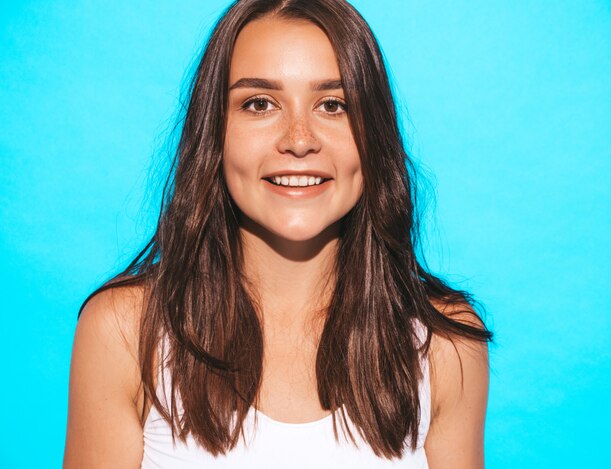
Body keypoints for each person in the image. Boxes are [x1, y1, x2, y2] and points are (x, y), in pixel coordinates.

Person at [63, 0, 493, 467]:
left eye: (334, 105)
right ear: (215, 134)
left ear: (375, 135)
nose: (299, 138)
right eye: (260, 103)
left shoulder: (446, 342)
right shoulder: (125, 332)